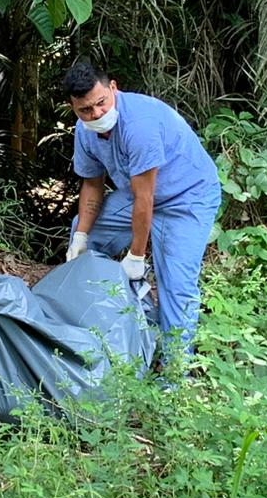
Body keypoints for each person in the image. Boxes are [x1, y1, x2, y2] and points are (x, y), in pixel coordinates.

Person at [62, 60, 222, 362]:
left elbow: (144, 199)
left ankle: (176, 374)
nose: (96, 114)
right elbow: (93, 185)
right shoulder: (85, 132)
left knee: (176, 284)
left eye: (101, 104)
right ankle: (99, 321)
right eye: (86, 110)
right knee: (82, 233)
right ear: (73, 107)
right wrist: (81, 237)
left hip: (187, 197)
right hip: (136, 195)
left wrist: (136, 257)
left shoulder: (139, 126)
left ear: (113, 88)